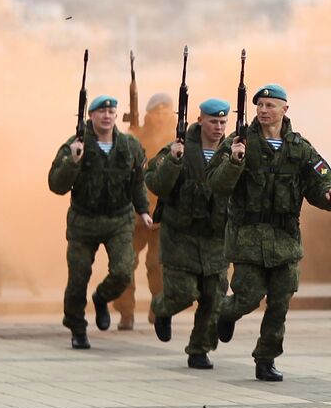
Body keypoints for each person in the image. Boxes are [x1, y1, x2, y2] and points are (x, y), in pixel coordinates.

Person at [209, 84, 331, 381]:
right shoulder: (238, 142)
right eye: (260, 105)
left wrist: (330, 193)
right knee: (248, 297)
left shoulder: (299, 147)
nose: (263, 110)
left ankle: (265, 358)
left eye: (270, 105)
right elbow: (216, 185)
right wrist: (235, 161)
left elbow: (320, 179)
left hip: (284, 240)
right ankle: (225, 313)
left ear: (285, 109)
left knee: (280, 303)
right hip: (248, 238)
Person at [47, 95, 150, 350]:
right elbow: (56, 185)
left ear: (116, 116)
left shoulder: (130, 146)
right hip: (84, 221)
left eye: (111, 112)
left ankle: (102, 297)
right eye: (100, 112)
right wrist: (73, 161)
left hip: (119, 220)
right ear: (90, 116)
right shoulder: (76, 145)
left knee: (124, 272)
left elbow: (138, 181)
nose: (106, 116)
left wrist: (144, 210)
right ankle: (77, 328)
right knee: (78, 277)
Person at [147, 98, 231, 369]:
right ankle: (162, 308)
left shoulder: (233, 151)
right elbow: (156, 183)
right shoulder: (179, 148)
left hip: (216, 238)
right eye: (213, 121)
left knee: (213, 296)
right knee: (183, 293)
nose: (218, 127)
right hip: (180, 236)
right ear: (200, 121)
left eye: (222, 122)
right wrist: (173, 160)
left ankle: (199, 349)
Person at [116, 91, 174, 329]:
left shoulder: (178, 139)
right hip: (135, 212)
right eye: (156, 112)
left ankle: (157, 309)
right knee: (124, 263)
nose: (160, 117)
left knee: (158, 265)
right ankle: (126, 312)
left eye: (165, 112)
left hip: (164, 212)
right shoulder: (134, 137)